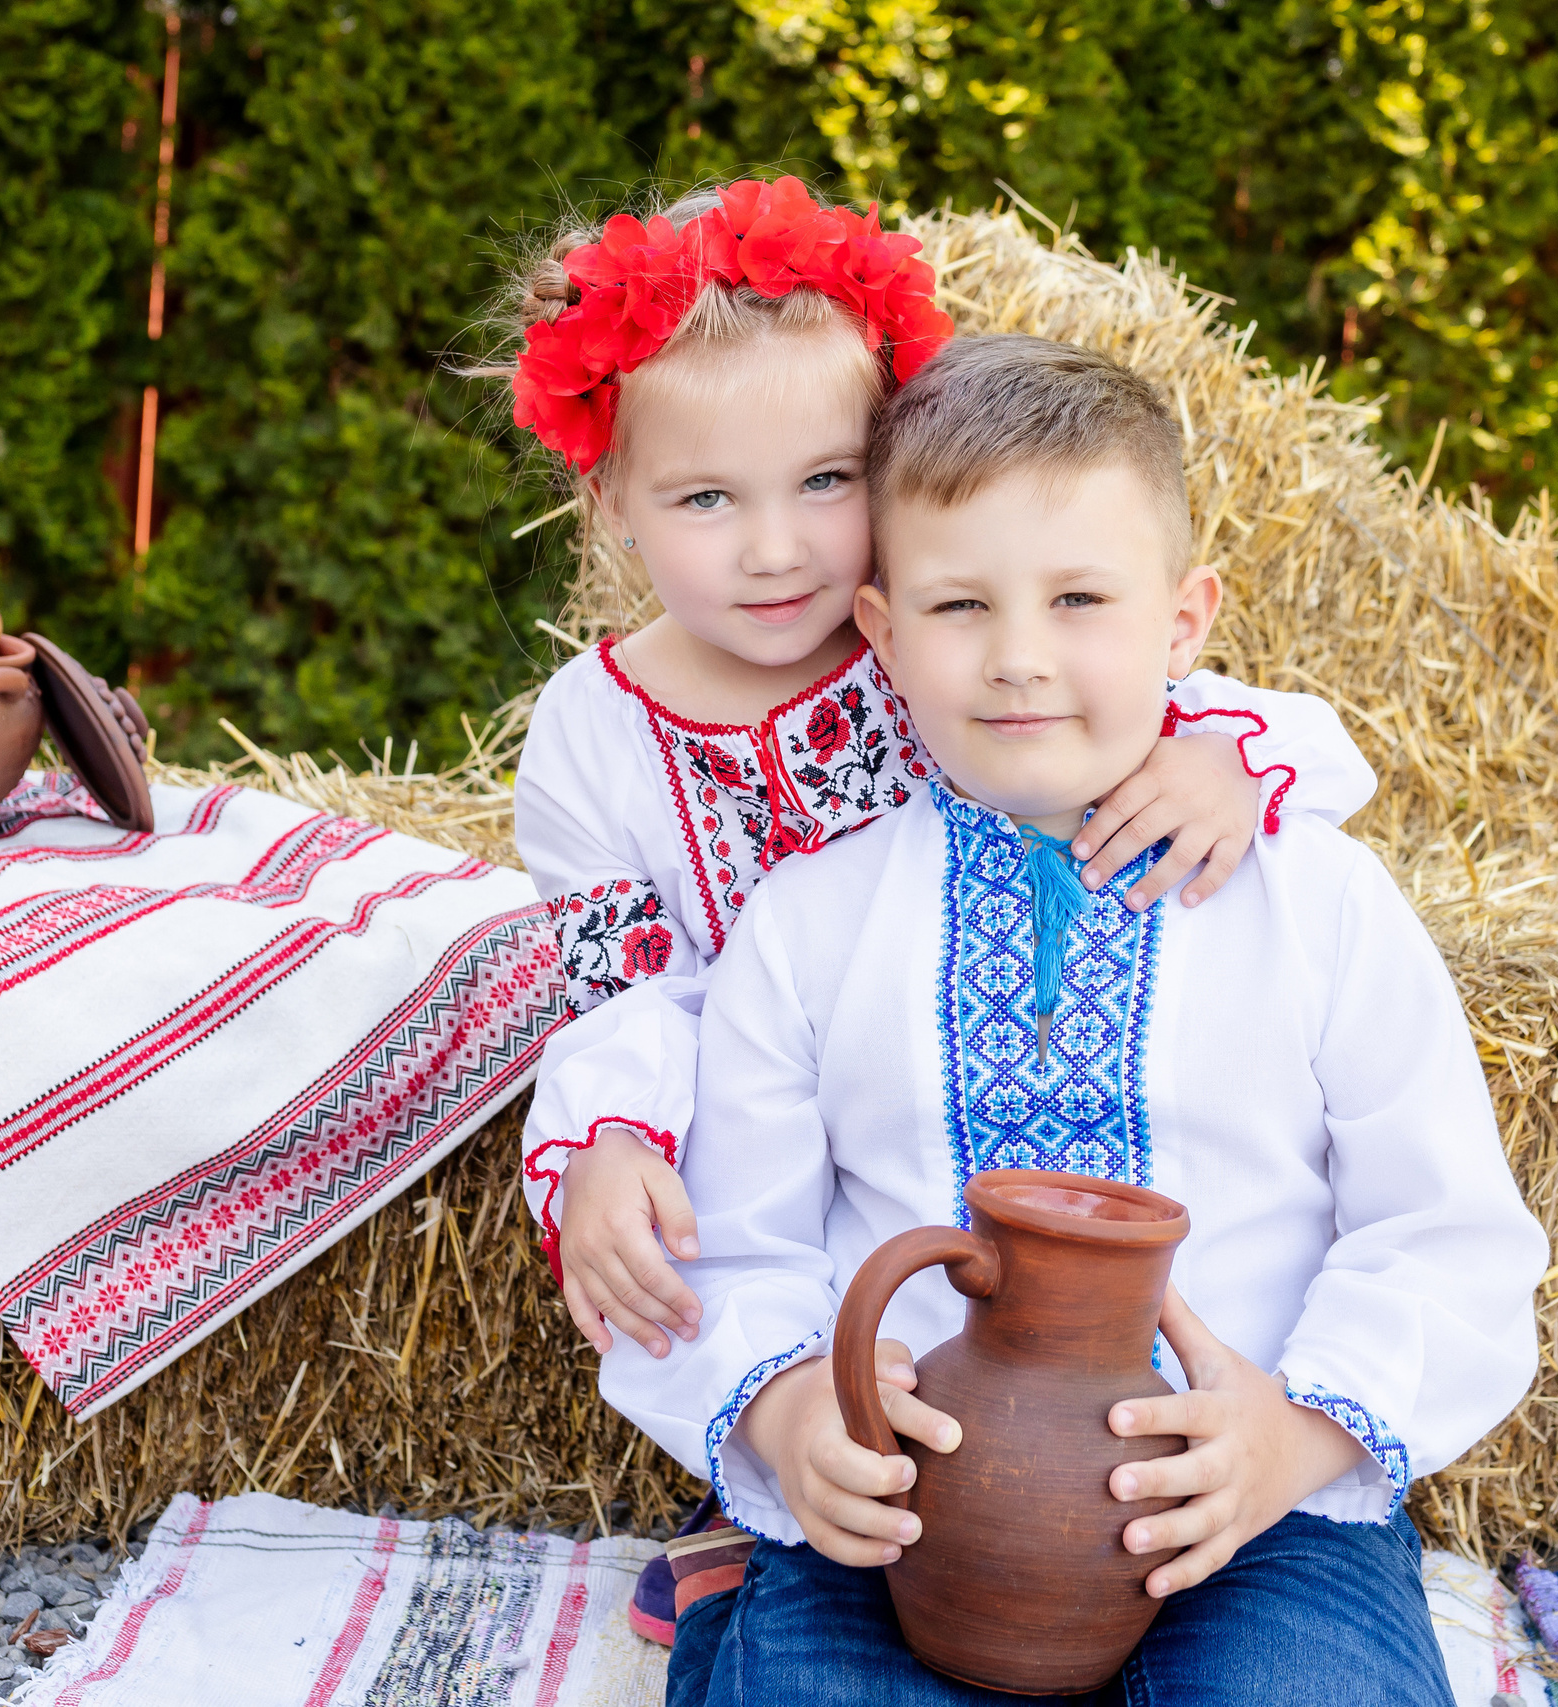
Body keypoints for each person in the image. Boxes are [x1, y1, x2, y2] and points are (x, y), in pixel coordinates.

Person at [486, 176, 1381, 1641]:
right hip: (735, 1077)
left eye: (827, 485)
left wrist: (1227, 759)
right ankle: (762, 1471)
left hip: (907, 1054)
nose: (776, 550)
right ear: (608, 502)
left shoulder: (950, 632)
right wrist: (602, 1141)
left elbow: (1203, 714)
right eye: (706, 500)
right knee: (685, 1219)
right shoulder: (593, 729)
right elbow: (614, 976)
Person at [599, 333, 1549, 1704]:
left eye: (1081, 599)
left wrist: (1288, 1439)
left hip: (1250, 1511)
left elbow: (1444, 1232)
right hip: (901, 1504)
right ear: (879, 630)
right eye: (961, 607)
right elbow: (739, 1245)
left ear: (1183, 619)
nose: (1021, 660)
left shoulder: (1320, 901)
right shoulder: (808, 925)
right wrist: (797, 1414)